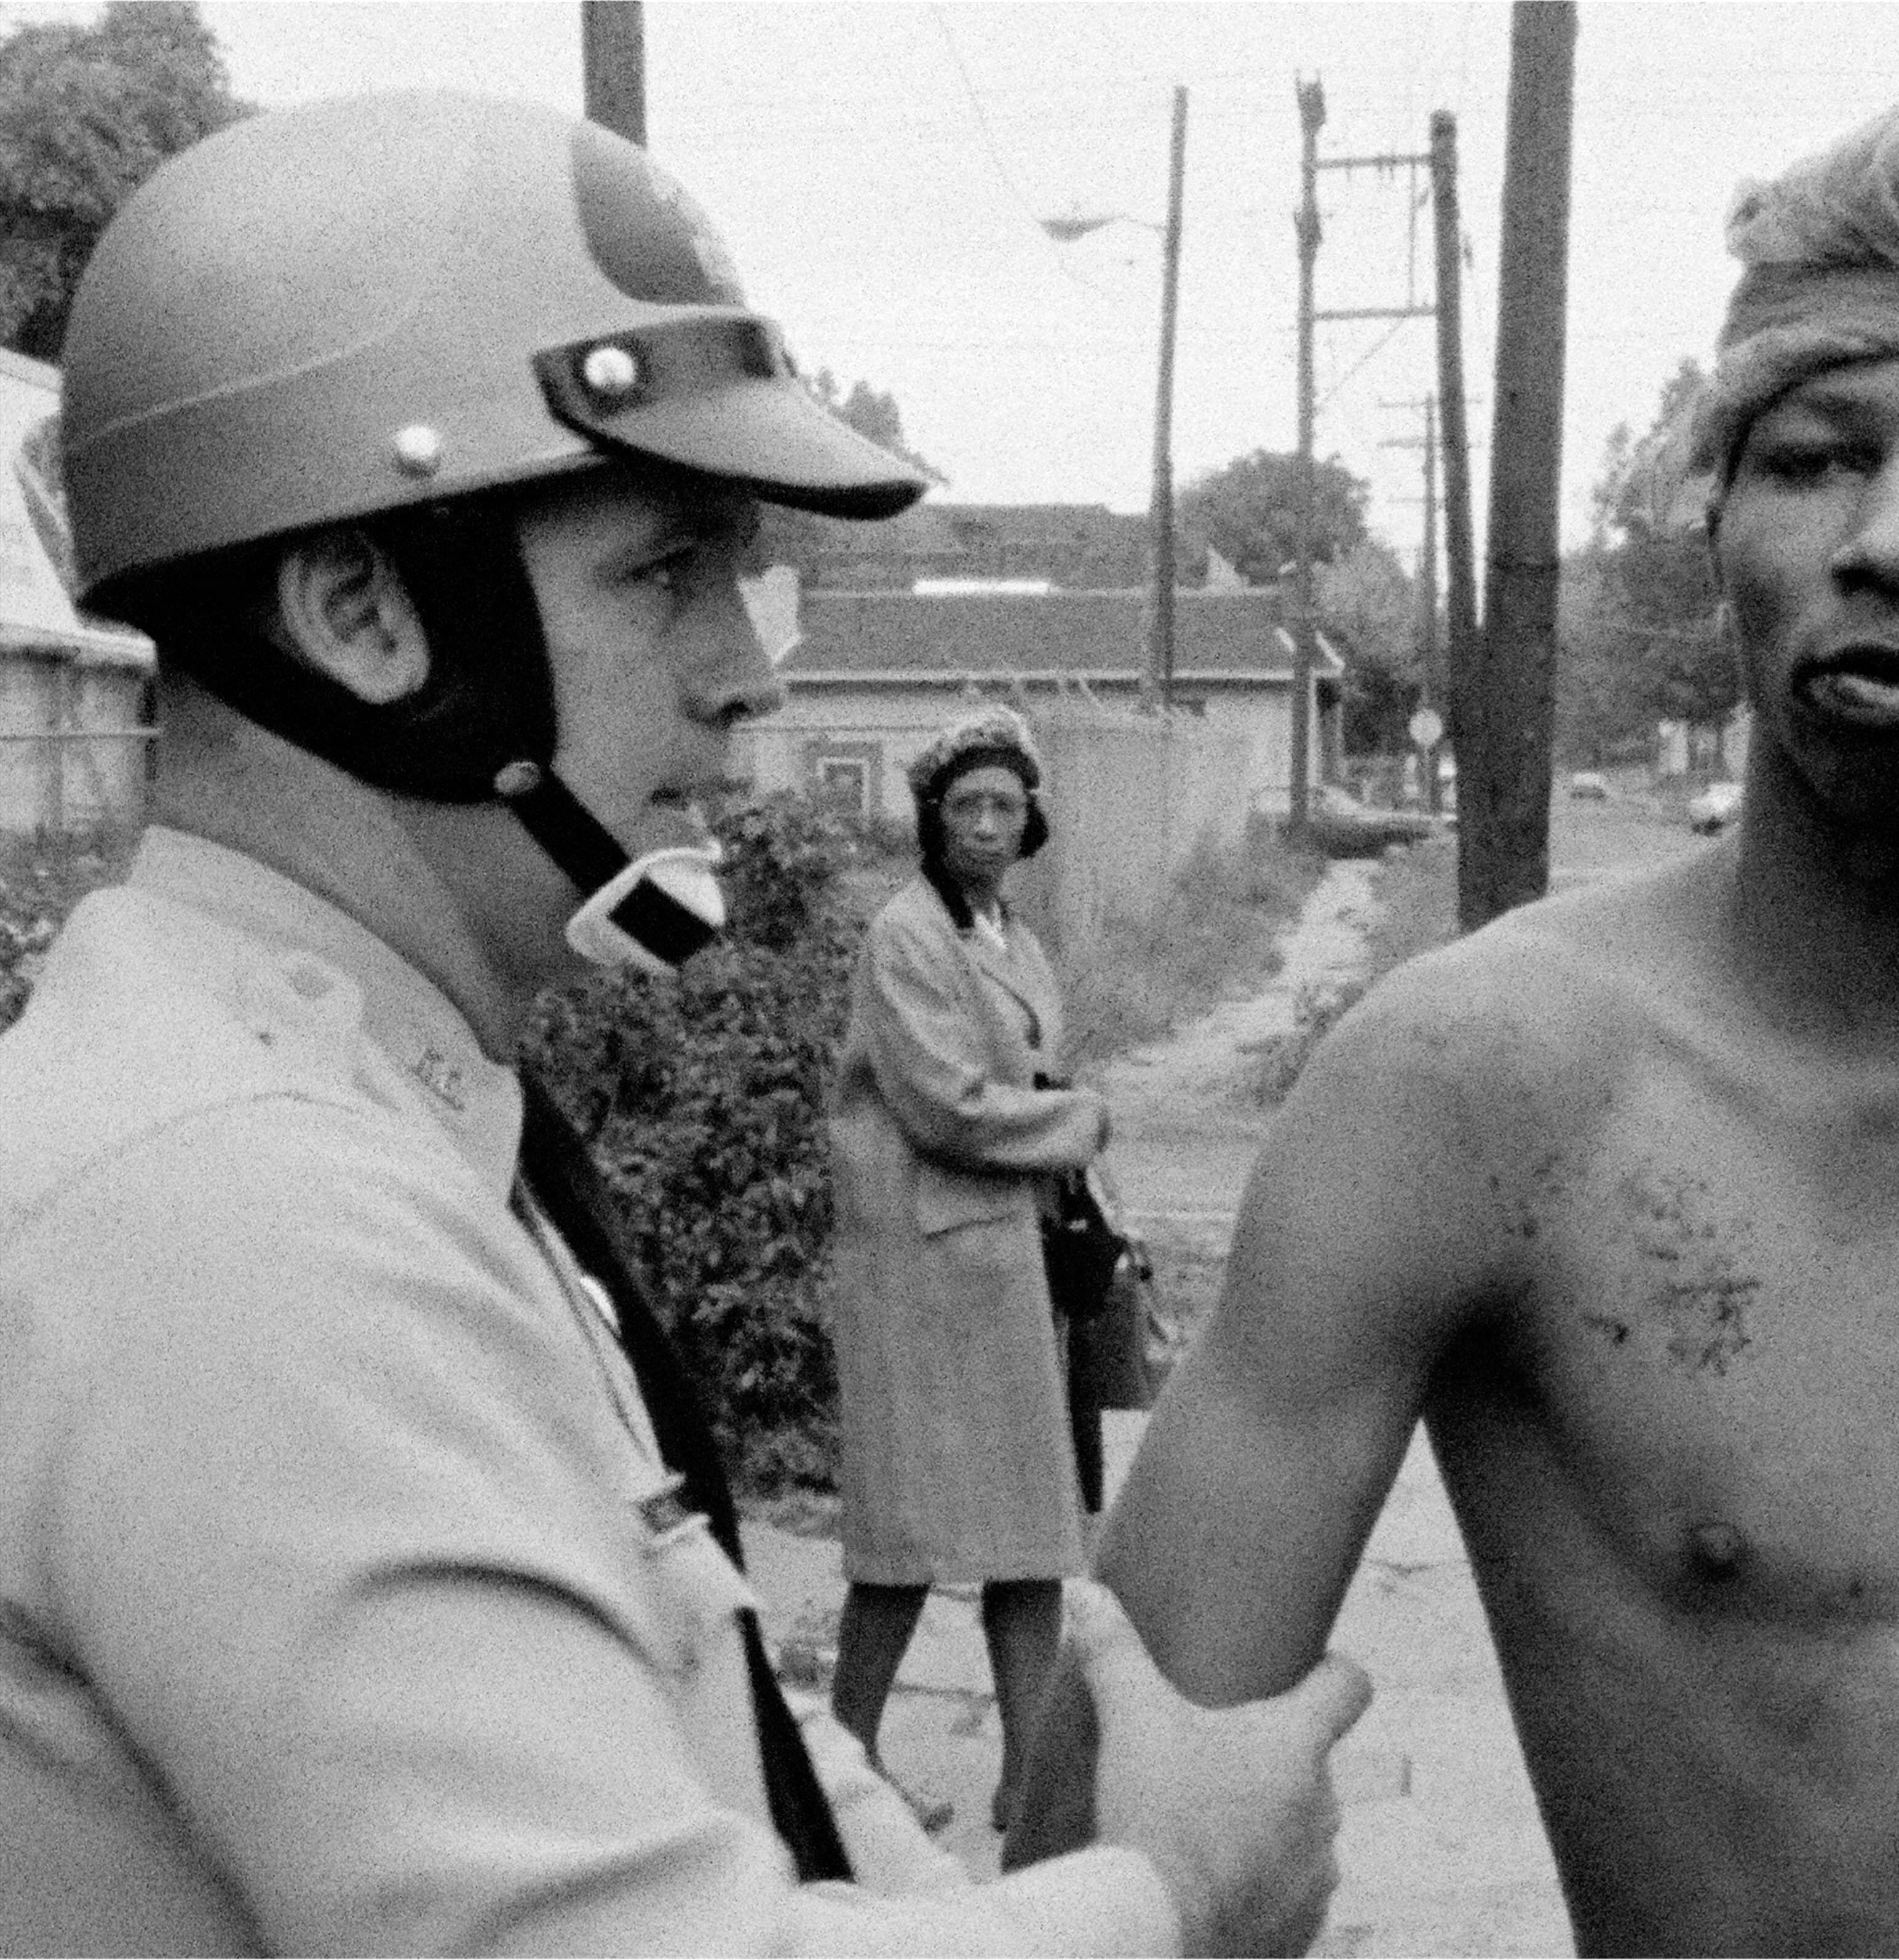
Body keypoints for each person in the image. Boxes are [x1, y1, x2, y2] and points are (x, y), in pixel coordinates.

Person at [0, 90, 1365, 1958]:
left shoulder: (355, 1108)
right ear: (359, 614)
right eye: (663, 571)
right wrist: (1179, 1898)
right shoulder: (231, 1214)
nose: (744, 673)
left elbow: (689, 1713)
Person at [1013, 94, 1899, 1956]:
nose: (1896, 536)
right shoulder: (1476, 1094)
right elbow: (1090, 1851)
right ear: (1718, 524)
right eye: (1813, 458)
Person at [825, 704, 1104, 1836]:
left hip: (1004, 1260)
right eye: (965, 807)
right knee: (906, 1537)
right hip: (920, 1263)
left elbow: (1030, 1075)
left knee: (1029, 1536)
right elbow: (944, 1104)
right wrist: (1079, 1121)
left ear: (1030, 819)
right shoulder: (906, 935)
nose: (986, 825)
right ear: (932, 822)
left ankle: (1026, 1777)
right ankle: (841, 1767)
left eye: (1005, 806)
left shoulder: (1012, 937)